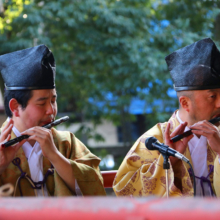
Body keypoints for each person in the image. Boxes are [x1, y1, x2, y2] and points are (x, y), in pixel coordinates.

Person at [113, 38, 220, 197]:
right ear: (185, 103)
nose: (219, 103)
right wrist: (170, 163)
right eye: (212, 96)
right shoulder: (153, 142)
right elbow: (123, 191)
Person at [0, 45, 106, 196]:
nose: (51, 110)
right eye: (42, 103)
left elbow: (95, 188)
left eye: (53, 100)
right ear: (15, 107)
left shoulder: (66, 143)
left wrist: (55, 156)